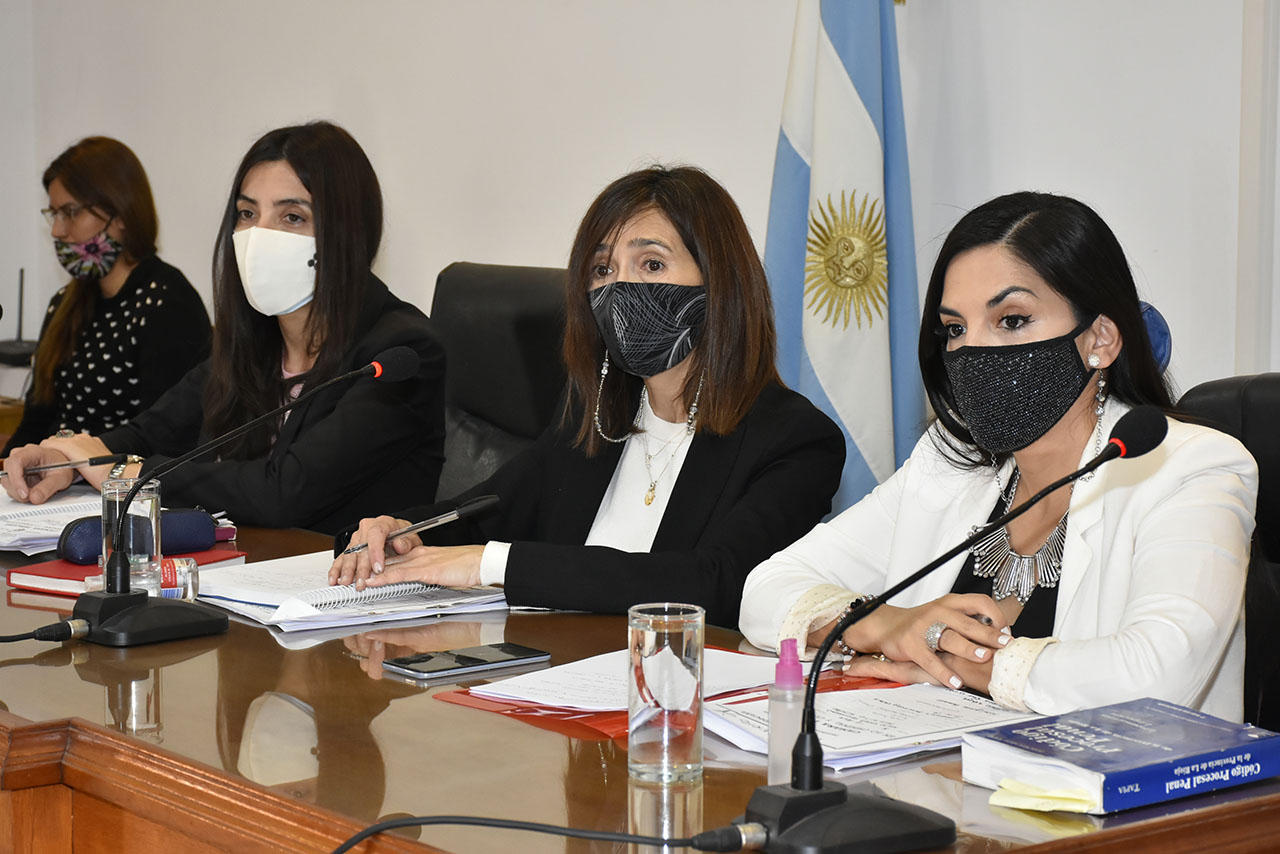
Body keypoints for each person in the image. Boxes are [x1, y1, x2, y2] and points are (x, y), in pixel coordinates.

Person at [739, 191, 1258, 720]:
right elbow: (765, 589)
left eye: (1011, 320)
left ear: (1099, 339)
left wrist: (958, 660)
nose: (973, 352)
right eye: (955, 329)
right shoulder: (949, 462)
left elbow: (1157, 676)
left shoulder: (1192, 468)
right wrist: (883, 625)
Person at [329, 166, 845, 628]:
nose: (620, 289)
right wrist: (400, 531)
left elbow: (716, 582)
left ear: (721, 282)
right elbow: (484, 514)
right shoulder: (596, 416)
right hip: (560, 677)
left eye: (651, 265)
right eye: (603, 270)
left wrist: (488, 563)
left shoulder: (795, 440)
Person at [2, 122, 446, 535]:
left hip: (344, 585)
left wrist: (125, 473)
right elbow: (150, 433)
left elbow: (284, 493)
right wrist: (66, 458)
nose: (258, 235)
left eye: (292, 217)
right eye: (247, 214)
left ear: (348, 230)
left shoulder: (401, 353)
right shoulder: (251, 341)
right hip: (239, 571)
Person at [4, 137, 211, 454]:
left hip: (119, 480)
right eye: (54, 213)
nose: (57, 230)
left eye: (70, 212)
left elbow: (167, 439)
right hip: (55, 477)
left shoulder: (167, 303)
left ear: (121, 214)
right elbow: (35, 422)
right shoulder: (65, 303)